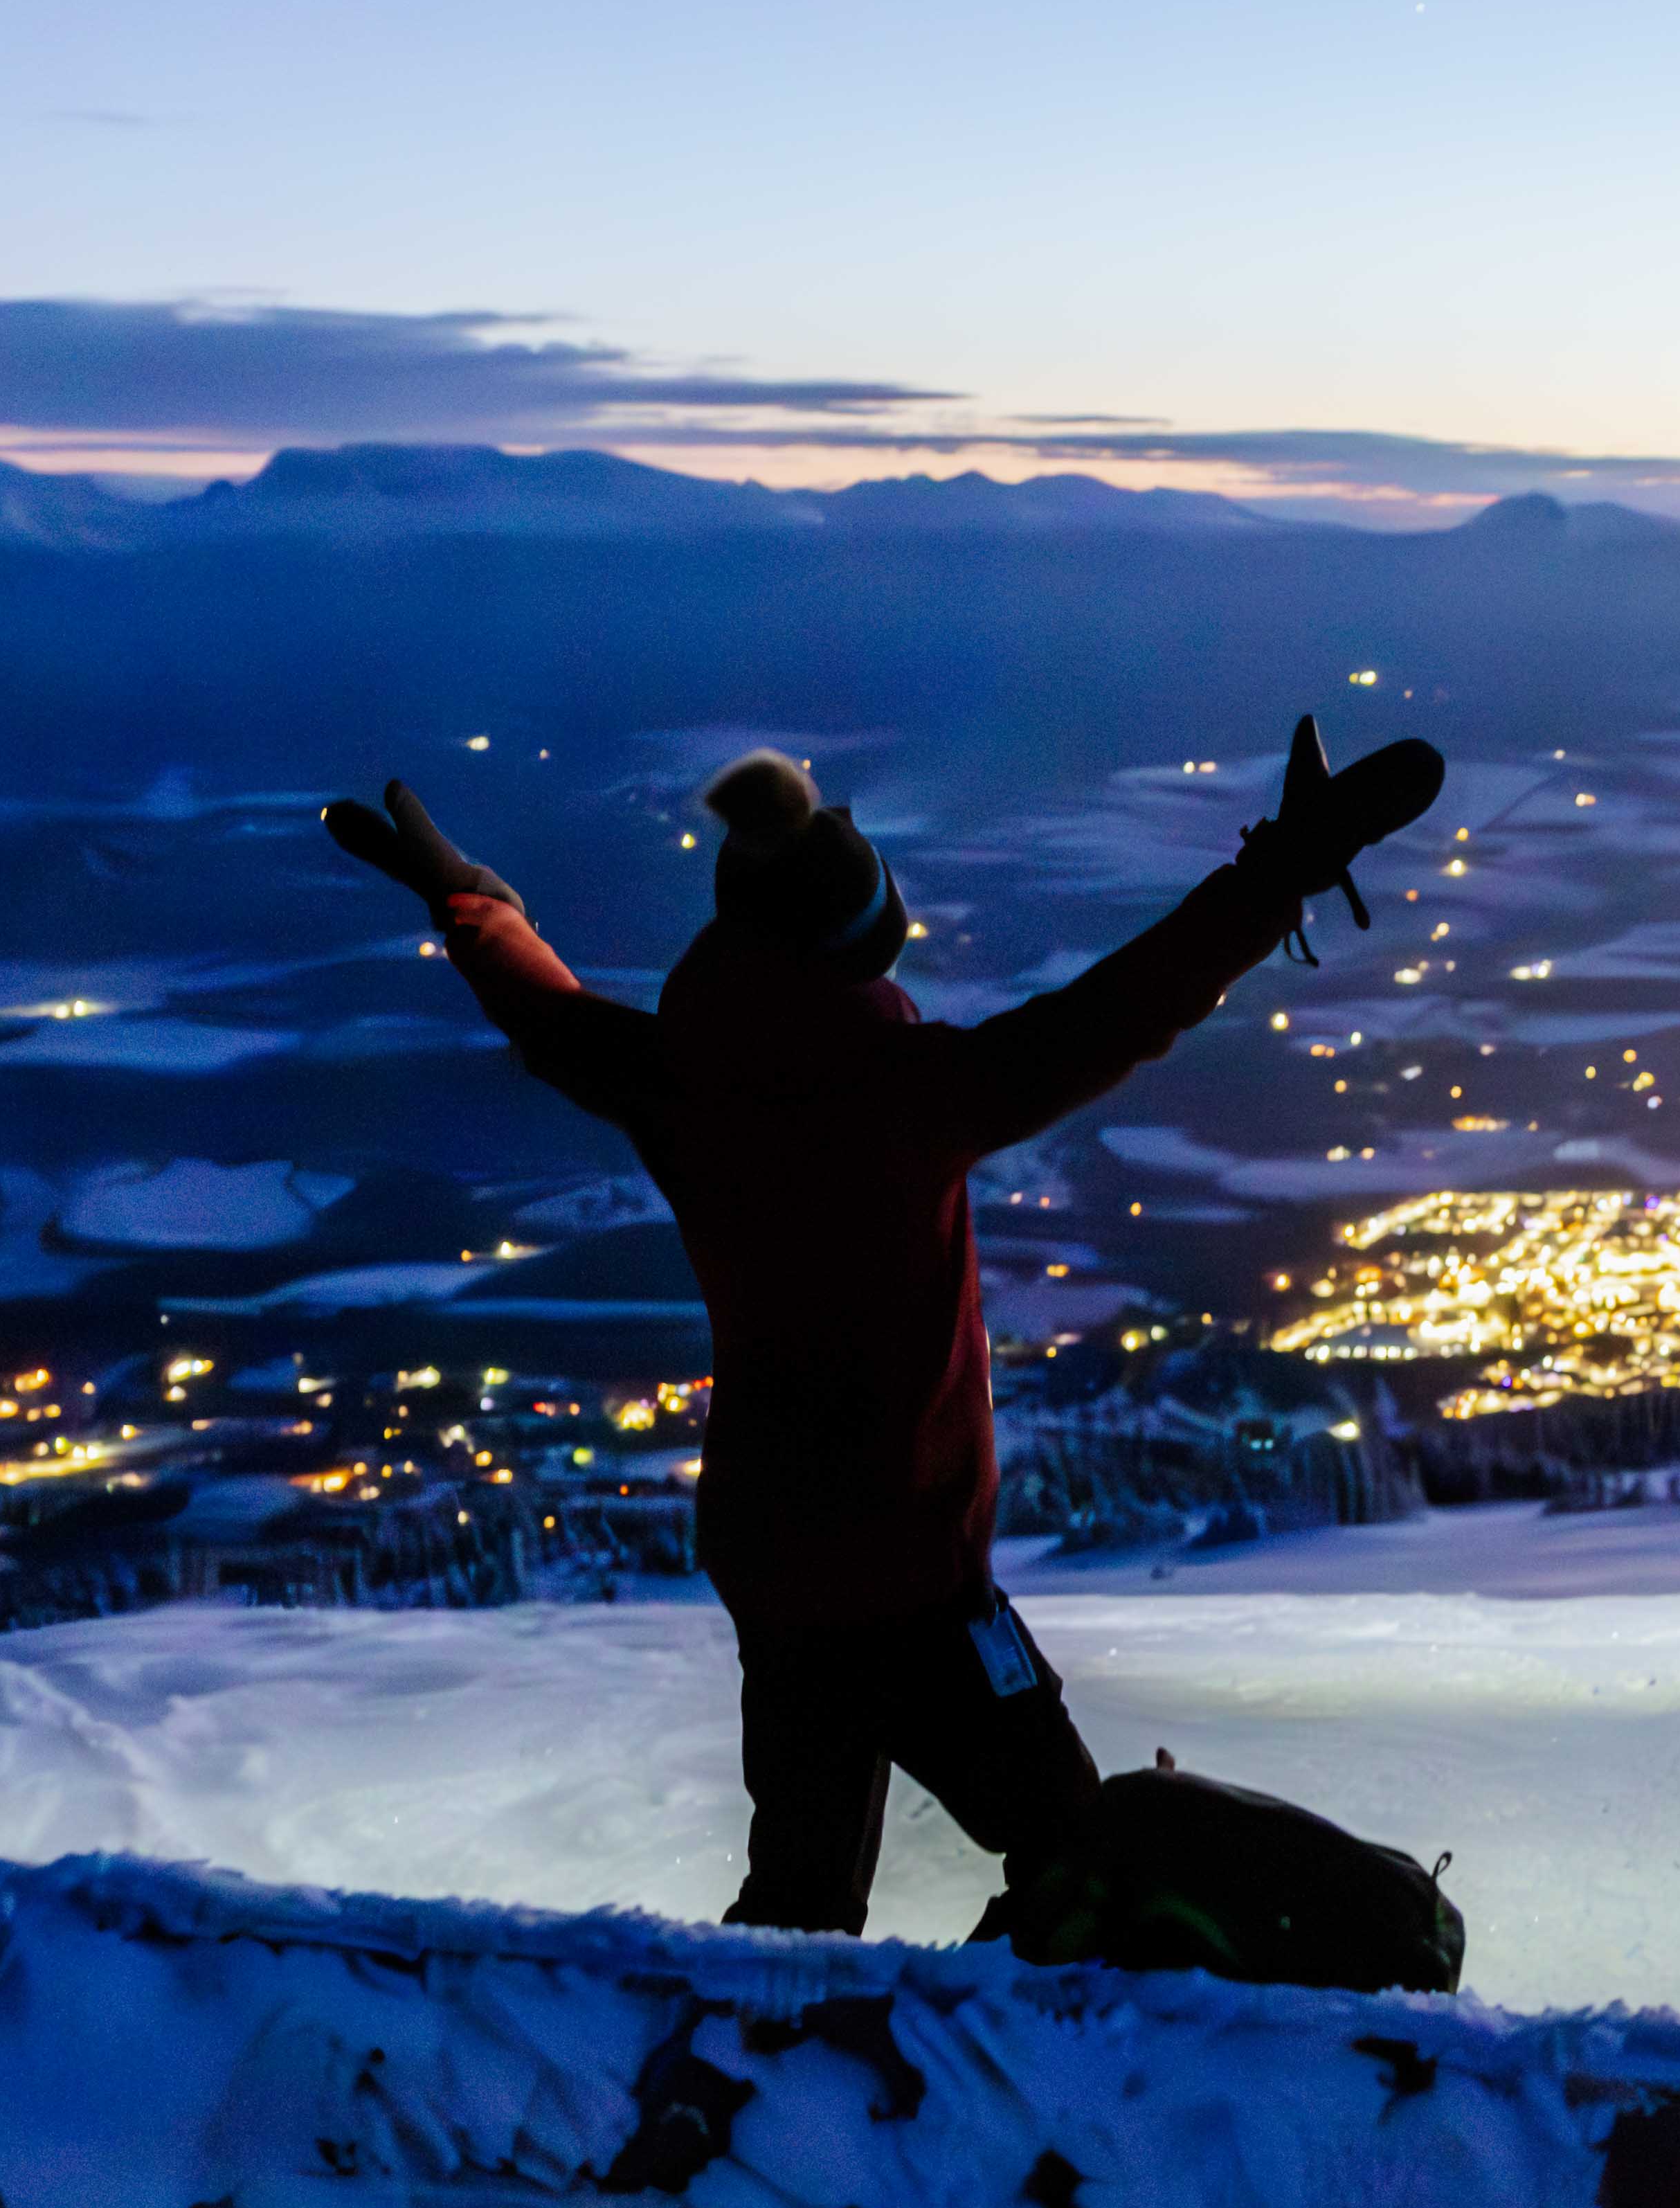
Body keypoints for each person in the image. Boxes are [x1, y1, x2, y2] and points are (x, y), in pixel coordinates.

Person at [320, 719, 1440, 1932]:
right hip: (917, 1582)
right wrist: (1278, 874)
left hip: (778, 1575)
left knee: (800, 1902)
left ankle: (753, 2089)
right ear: (865, 942)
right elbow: (1130, 1003)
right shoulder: (917, 1096)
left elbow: (546, 1012)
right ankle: (996, 2068)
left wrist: (468, 899)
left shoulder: (676, 1081)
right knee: (1075, 1852)